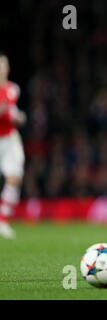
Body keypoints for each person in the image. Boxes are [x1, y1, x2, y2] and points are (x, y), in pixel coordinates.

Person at [0, 52, 26, 239]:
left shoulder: (13, 89)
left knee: (14, 178)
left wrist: (20, 117)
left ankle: (2, 221)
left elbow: (12, 113)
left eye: (4, 64)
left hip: (10, 138)